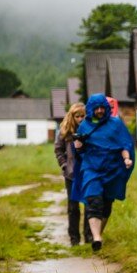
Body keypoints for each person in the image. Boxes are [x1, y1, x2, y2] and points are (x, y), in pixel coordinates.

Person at [71, 94, 135, 251]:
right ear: (91, 109)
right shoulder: (84, 126)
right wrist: (78, 145)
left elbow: (124, 145)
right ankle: (96, 237)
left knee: (106, 204)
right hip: (91, 168)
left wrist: (126, 159)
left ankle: (98, 234)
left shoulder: (116, 124)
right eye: (96, 108)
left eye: (102, 107)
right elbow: (79, 151)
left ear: (107, 108)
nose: (100, 111)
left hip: (111, 170)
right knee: (93, 201)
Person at [54, 102, 92, 246]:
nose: (81, 119)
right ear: (72, 117)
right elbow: (58, 150)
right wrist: (64, 165)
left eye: (83, 116)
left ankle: (89, 237)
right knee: (73, 207)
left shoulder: (89, 131)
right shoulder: (65, 132)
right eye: (78, 116)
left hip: (87, 173)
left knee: (89, 205)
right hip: (71, 174)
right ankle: (74, 239)